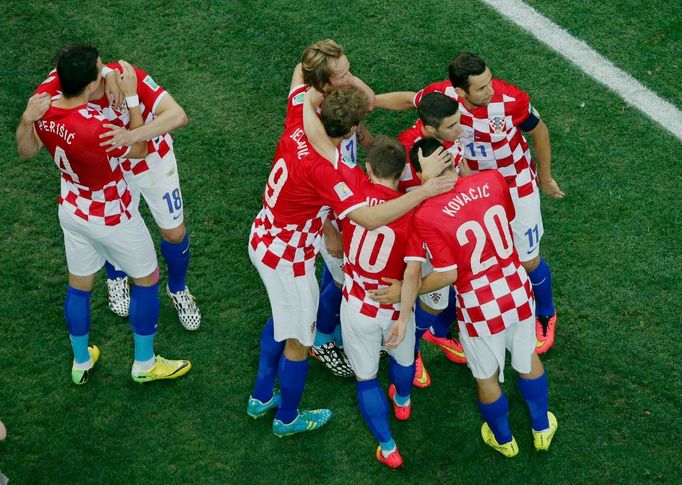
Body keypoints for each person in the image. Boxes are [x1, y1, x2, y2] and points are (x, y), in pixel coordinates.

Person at [246, 82, 452, 438]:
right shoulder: (338, 174)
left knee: (282, 320)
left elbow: (300, 80)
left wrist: (328, 227)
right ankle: (287, 418)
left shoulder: (299, 120)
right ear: (354, 129)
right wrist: (426, 189)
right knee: (299, 341)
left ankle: (261, 396)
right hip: (292, 259)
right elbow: (372, 218)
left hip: (264, 235)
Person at [16, 44, 191, 384]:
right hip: (111, 214)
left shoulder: (45, 107)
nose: (106, 68)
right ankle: (144, 363)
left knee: (79, 285)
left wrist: (26, 117)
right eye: (101, 69)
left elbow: (25, 150)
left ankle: (81, 361)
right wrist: (131, 103)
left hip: (71, 208)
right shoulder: (96, 129)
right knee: (147, 278)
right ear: (89, 85)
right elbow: (138, 149)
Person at [411, 137, 558, 457]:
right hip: (516, 288)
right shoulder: (491, 180)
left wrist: (408, 290)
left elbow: (447, 274)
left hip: (478, 305)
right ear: (450, 159)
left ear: (421, 173)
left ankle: (504, 440)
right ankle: (541, 429)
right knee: (527, 359)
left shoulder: (425, 213)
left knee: (487, 375)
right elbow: (501, 218)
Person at [413, 52, 564, 353]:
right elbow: (411, 100)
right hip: (473, 192)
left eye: (489, 81)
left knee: (527, 259)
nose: (490, 90)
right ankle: (442, 328)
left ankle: (546, 313)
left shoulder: (511, 100)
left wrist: (544, 178)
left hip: (515, 184)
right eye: (481, 88)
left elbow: (540, 131)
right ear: (459, 92)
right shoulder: (442, 97)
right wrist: (370, 100)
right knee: (469, 262)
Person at [335, 136, 422, 468]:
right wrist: (403, 314)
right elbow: (412, 272)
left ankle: (388, 449)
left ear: (368, 168)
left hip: (358, 305)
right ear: (402, 174)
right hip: (396, 306)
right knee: (403, 360)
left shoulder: (351, 198)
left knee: (367, 378)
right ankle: (402, 401)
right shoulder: (411, 214)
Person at [294, 39, 376, 376]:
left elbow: (366, 102)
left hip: (344, 197)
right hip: (328, 214)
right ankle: (322, 339)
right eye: (341, 74)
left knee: (339, 275)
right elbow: (319, 184)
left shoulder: (329, 98)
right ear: (324, 84)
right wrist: (329, 230)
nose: (350, 76)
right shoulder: (313, 123)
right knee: (344, 280)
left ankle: (340, 330)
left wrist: (335, 71)